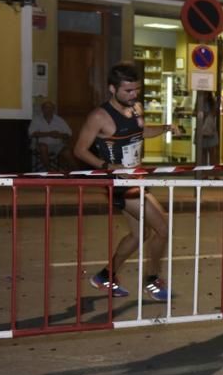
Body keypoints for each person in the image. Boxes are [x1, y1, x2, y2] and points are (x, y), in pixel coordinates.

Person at [73, 62, 176, 301]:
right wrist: (109, 167)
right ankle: (152, 281)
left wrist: (165, 128)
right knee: (162, 228)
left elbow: (141, 132)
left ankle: (105, 276)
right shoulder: (100, 116)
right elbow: (79, 150)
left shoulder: (136, 107)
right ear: (112, 89)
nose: (133, 95)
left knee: (139, 235)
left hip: (136, 178)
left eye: (136, 89)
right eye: (127, 91)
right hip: (119, 184)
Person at [29, 100, 75, 171]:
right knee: (43, 147)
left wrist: (59, 135)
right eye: (46, 108)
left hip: (57, 145)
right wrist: (49, 134)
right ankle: (49, 171)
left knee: (67, 151)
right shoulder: (37, 119)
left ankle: (77, 172)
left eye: (50, 108)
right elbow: (31, 133)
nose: (48, 110)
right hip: (40, 145)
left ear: (53, 109)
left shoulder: (59, 120)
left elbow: (69, 134)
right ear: (42, 109)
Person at [196, 94, 220, 167]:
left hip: (210, 130)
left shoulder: (212, 103)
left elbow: (215, 113)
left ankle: (214, 173)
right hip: (203, 130)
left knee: (212, 154)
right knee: (204, 154)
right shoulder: (199, 102)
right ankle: (205, 173)